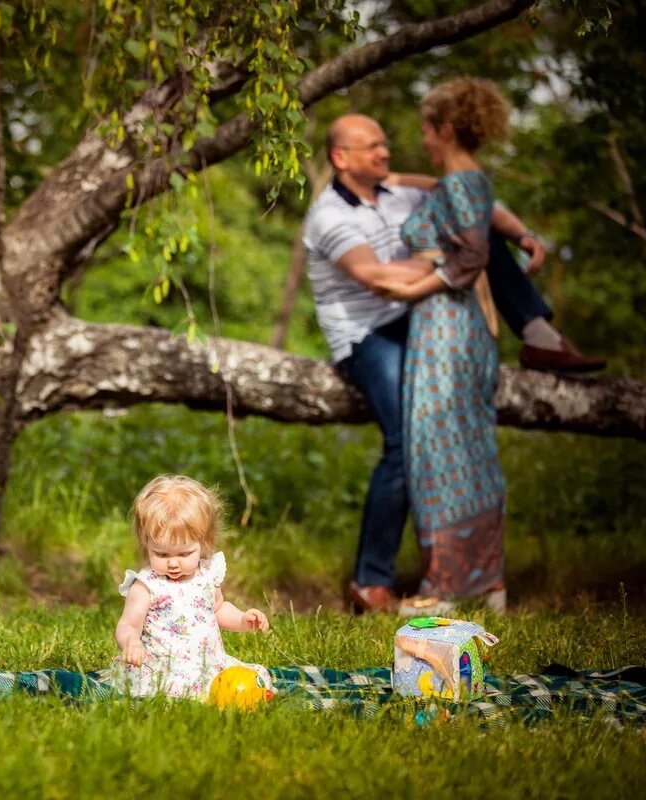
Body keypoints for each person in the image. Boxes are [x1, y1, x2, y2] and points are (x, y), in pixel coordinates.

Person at [302, 110, 604, 614]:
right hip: (367, 334)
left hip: (421, 314)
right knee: (405, 438)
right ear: (341, 158)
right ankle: (370, 581)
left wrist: (520, 232)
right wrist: (447, 262)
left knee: (475, 240)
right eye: (373, 146)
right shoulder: (330, 216)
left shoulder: (402, 191)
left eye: (385, 143)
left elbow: (467, 197)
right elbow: (378, 278)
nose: (386, 152)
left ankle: (537, 332)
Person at [372, 78, 516, 614]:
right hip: (450, 327)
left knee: (441, 449)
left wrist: (414, 286)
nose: (423, 139)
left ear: (446, 129)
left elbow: (471, 257)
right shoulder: (465, 182)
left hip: (448, 327)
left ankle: (450, 584)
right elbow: (455, 210)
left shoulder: (460, 186)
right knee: (462, 446)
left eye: (427, 130)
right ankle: (484, 580)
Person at [110, 475, 271, 699]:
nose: (173, 562)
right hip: (163, 669)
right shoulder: (146, 586)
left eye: (185, 553)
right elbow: (128, 625)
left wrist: (243, 619)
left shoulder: (206, 576)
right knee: (179, 690)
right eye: (162, 553)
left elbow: (218, 609)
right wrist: (131, 643)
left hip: (208, 664)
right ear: (146, 543)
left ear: (204, 544)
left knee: (252, 678)